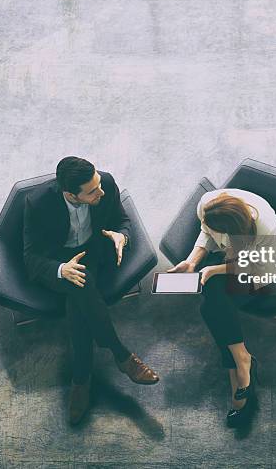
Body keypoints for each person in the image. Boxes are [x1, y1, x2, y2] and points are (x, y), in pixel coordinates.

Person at [24, 156, 159, 425]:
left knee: (79, 297)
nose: (102, 192)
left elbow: (122, 220)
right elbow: (30, 256)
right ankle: (121, 355)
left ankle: (81, 380)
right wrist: (61, 269)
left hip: (92, 253)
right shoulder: (38, 203)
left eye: (98, 184)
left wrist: (123, 236)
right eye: (93, 191)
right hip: (58, 261)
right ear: (70, 195)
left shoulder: (105, 182)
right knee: (79, 285)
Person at [167, 188, 276, 427]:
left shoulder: (267, 233)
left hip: (263, 269)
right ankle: (242, 359)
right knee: (213, 301)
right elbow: (206, 230)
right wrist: (192, 261)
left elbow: (260, 268)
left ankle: (239, 363)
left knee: (211, 303)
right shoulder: (207, 205)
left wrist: (215, 269)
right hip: (234, 258)